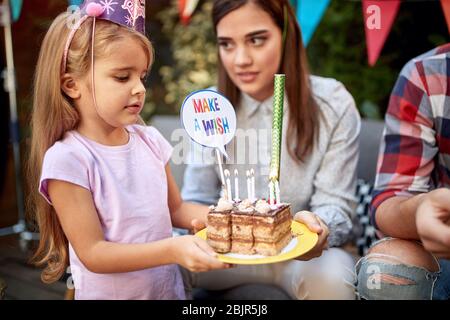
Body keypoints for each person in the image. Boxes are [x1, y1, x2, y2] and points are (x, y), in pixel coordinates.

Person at [27, 0, 230, 300]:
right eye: (123, 77)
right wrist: (172, 249)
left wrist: (232, 217)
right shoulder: (69, 159)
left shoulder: (149, 140)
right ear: (72, 85)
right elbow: (94, 253)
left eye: (142, 76)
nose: (140, 88)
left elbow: (176, 209)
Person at [181, 0, 360, 300]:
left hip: (303, 255)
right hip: (227, 254)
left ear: (287, 35)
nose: (240, 60)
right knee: (160, 268)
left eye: (256, 39)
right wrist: (199, 223)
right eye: (227, 44)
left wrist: (318, 226)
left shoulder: (333, 103)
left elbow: (337, 203)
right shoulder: (208, 109)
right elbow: (195, 199)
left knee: (332, 281)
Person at [356, 43, 450, 300]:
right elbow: (387, 204)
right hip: (445, 253)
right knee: (385, 269)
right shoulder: (427, 75)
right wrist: (422, 208)